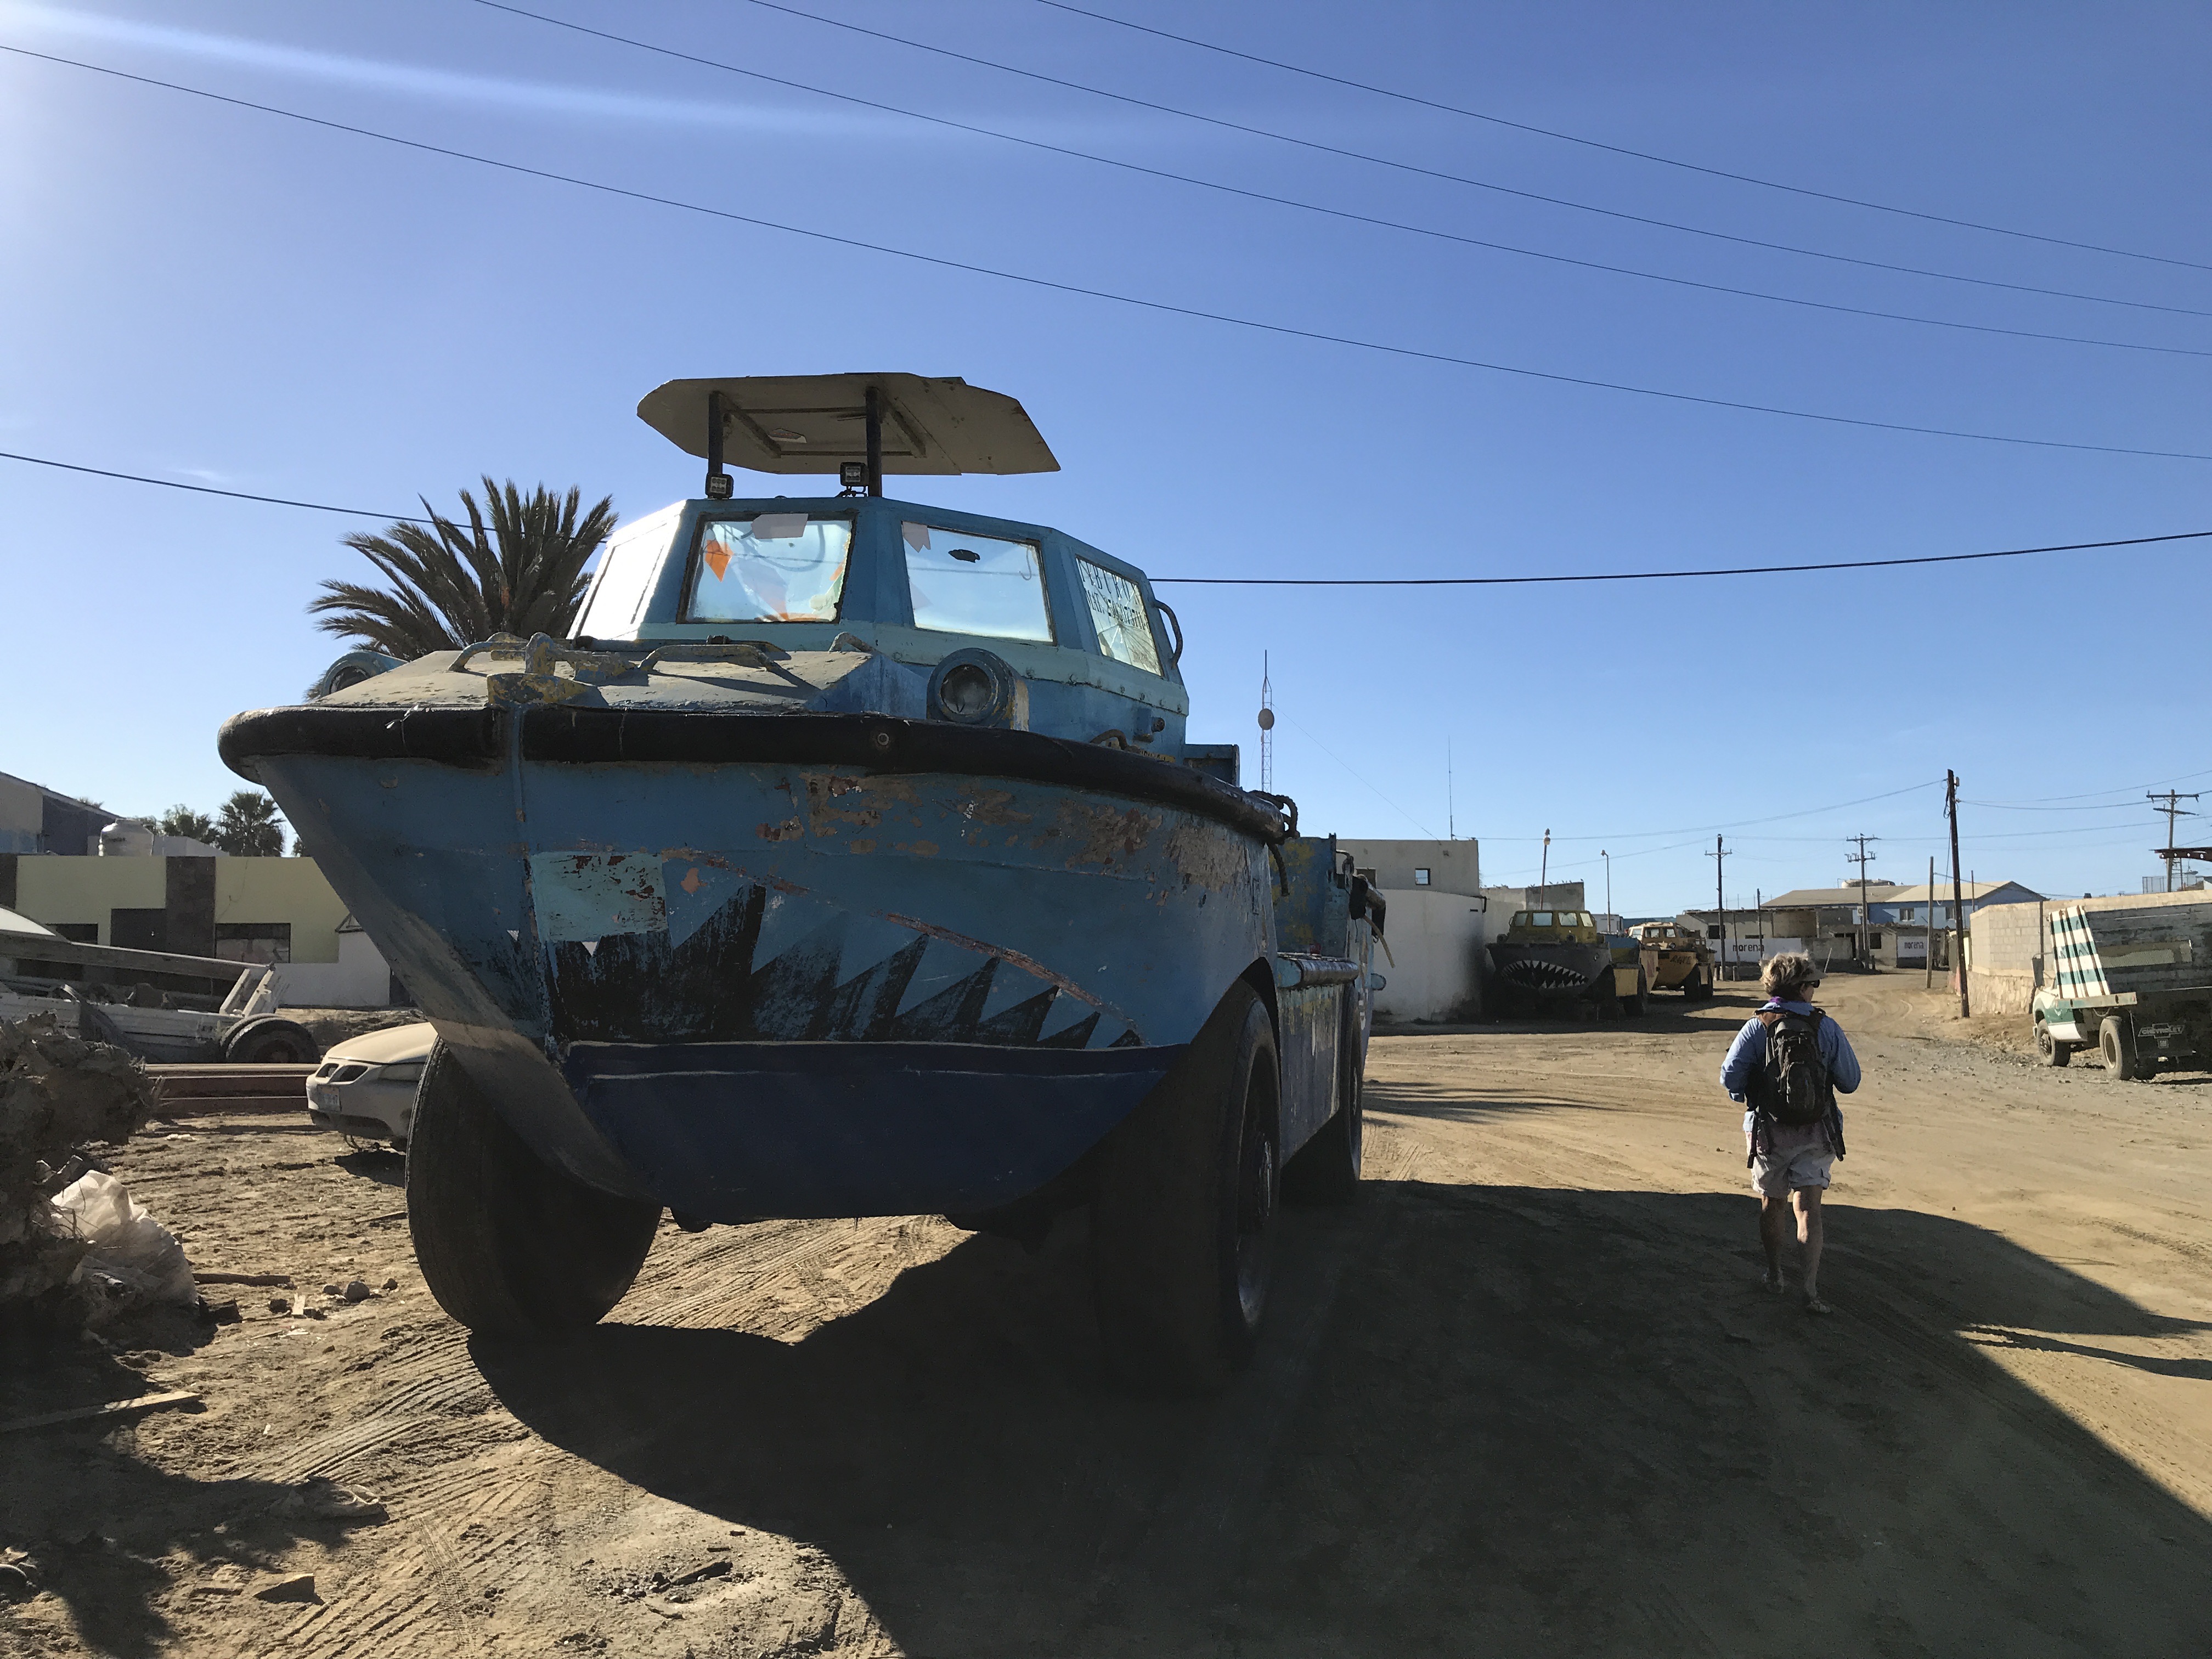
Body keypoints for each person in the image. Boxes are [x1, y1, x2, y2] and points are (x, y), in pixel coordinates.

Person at [1720, 952, 1860, 1314]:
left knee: (1773, 1204)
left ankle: (1775, 1275)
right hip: (1817, 1131)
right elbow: (1850, 1081)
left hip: (1769, 1133)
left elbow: (1730, 1078)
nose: (1814, 990)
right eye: (1813, 984)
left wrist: (1748, 1097)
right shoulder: (1825, 1027)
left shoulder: (1757, 1026)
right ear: (1801, 987)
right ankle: (1810, 1290)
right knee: (1809, 1209)